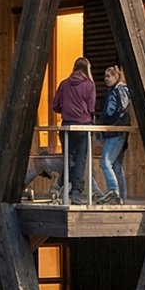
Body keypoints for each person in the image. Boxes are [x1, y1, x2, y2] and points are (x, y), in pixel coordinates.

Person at [53, 57, 97, 205]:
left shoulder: (64, 84)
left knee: (68, 158)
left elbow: (55, 105)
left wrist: (66, 110)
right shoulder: (89, 85)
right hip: (84, 126)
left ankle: (61, 185)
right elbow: (91, 107)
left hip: (67, 125)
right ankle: (76, 192)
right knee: (80, 160)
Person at [97, 65, 131, 204]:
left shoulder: (120, 90)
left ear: (116, 76)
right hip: (115, 131)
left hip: (116, 131)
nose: (106, 79)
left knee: (105, 162)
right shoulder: (113, 91)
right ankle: (122, 197)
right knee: (116, 165)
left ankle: (113, 190)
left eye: (109, 76)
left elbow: (120, 108)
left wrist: (110, 121)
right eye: (105, 76)